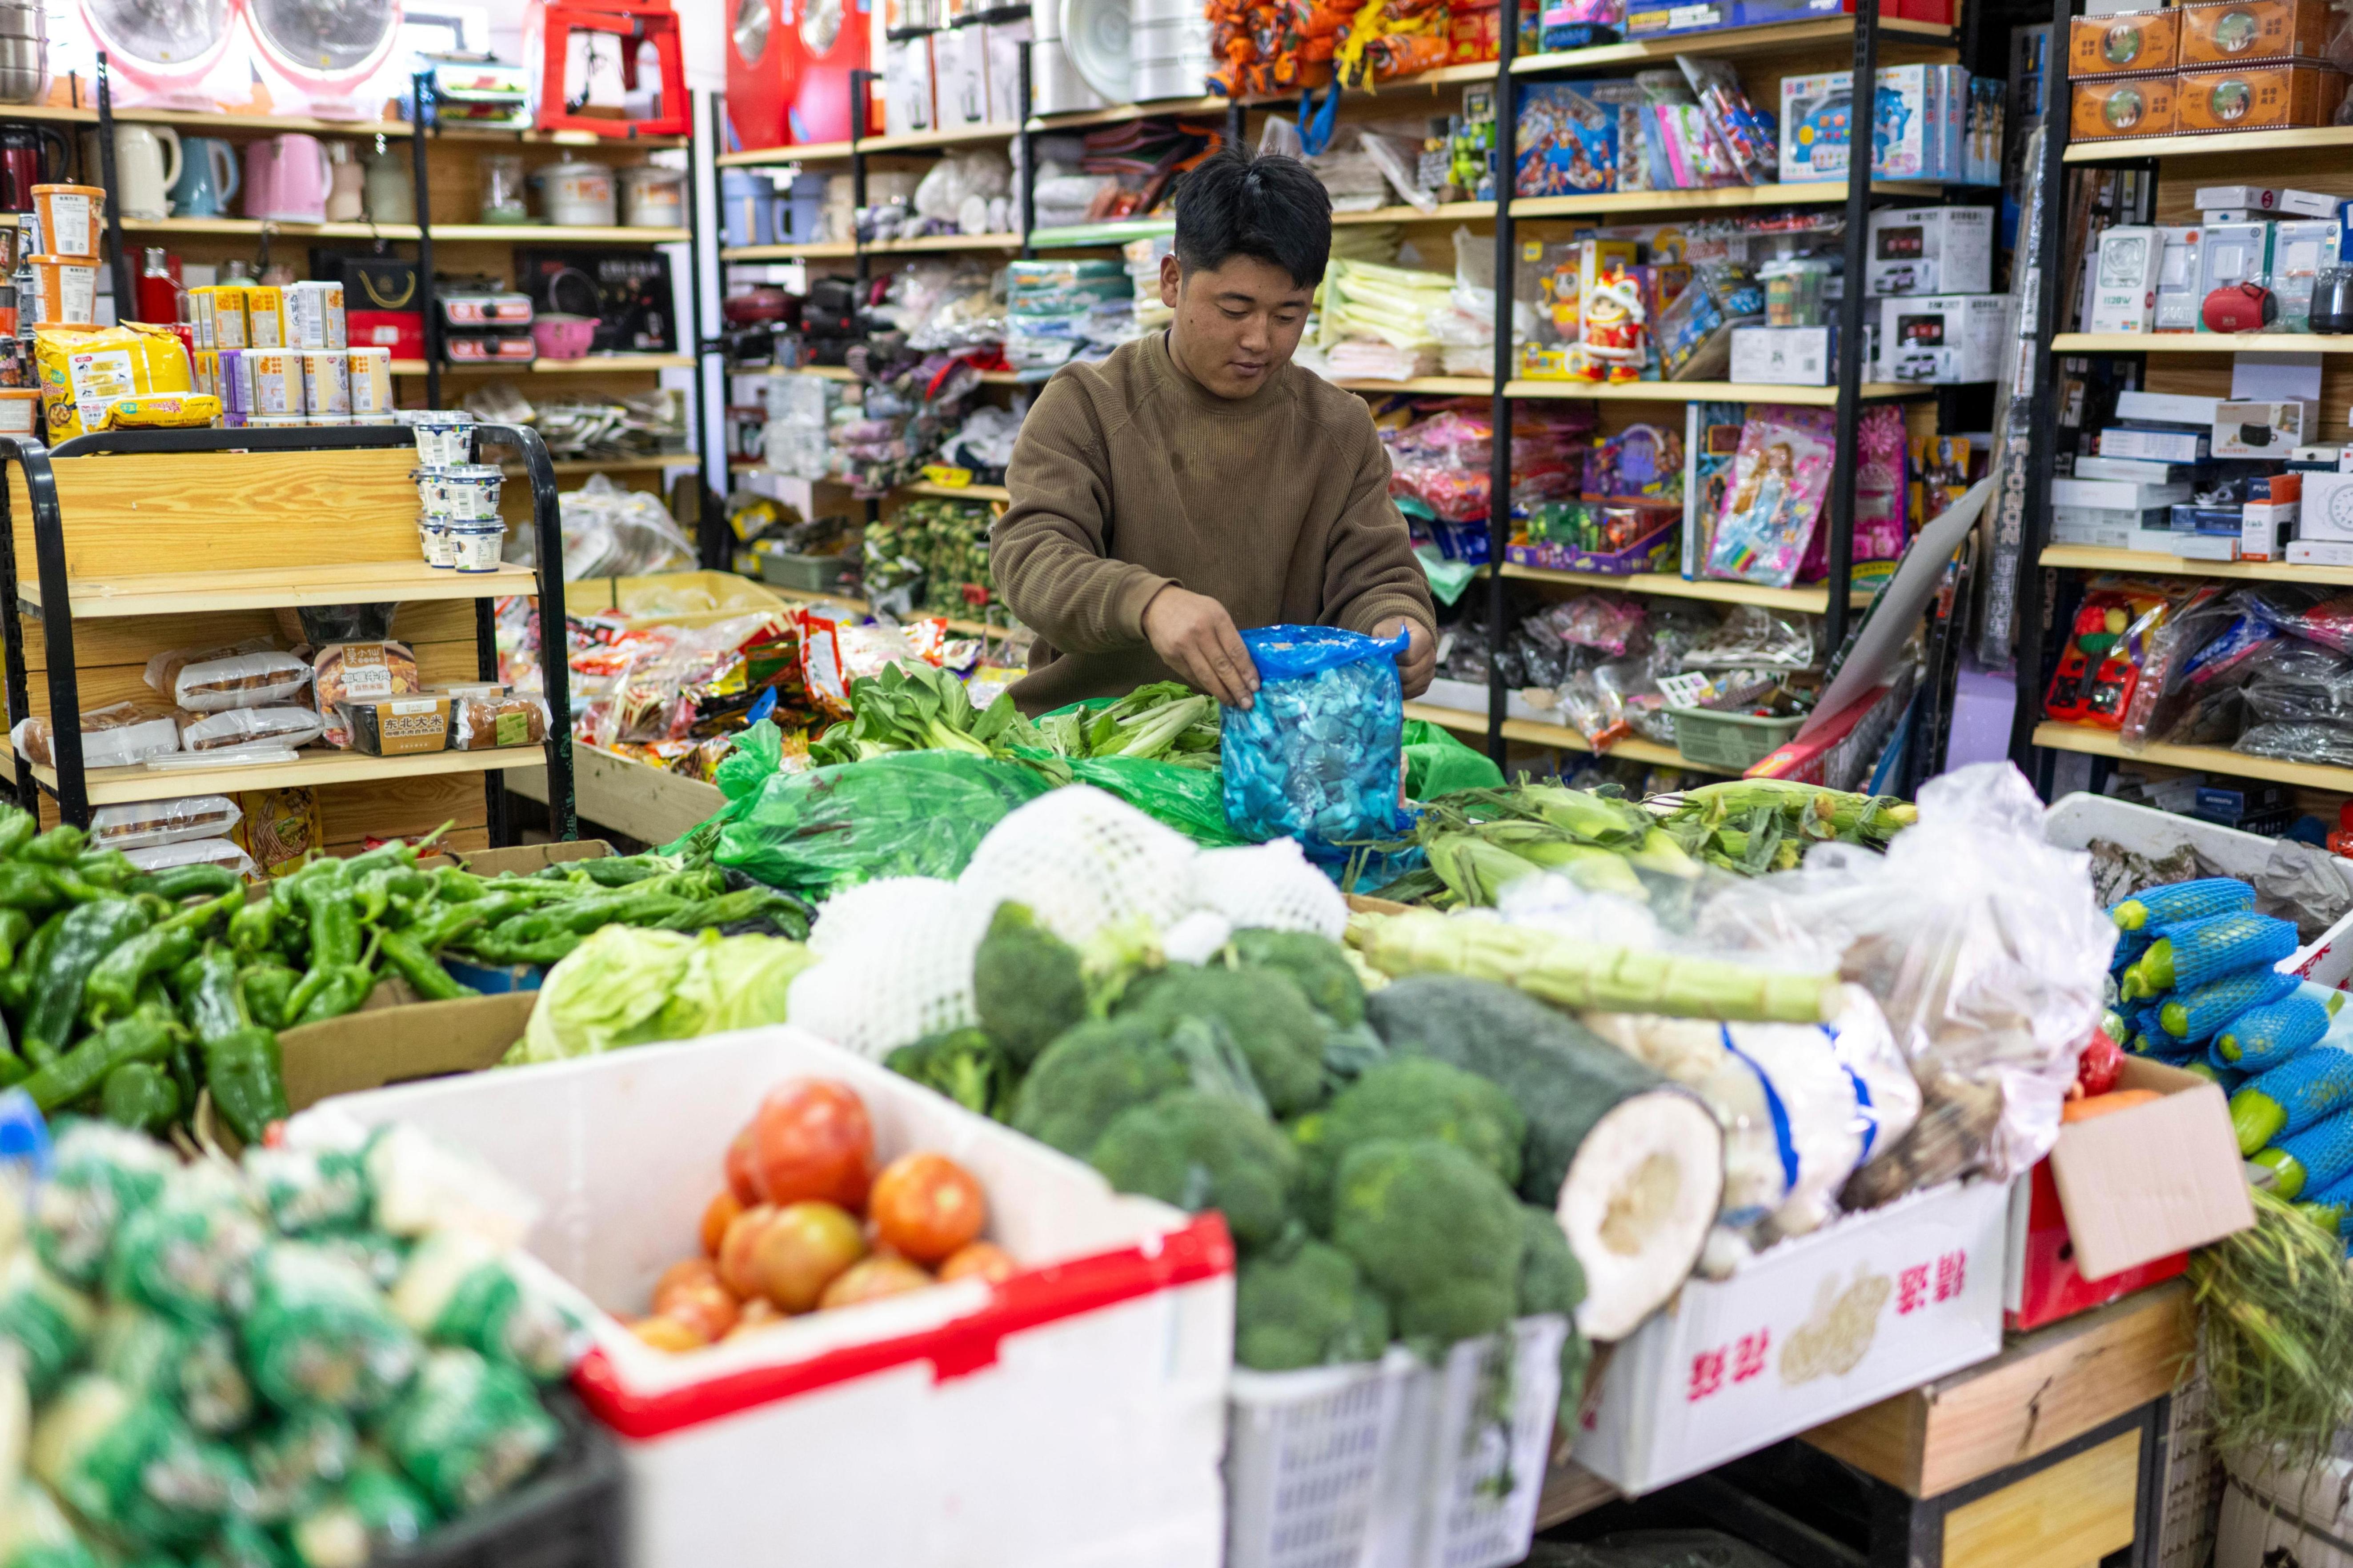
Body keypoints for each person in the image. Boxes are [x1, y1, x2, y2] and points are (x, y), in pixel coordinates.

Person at [990, 144, 1436, 714]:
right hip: (1092, 734)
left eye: (1288, 315)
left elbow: (1376, 576)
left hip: (1271, 739)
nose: (1259, 340)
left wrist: (1397, 623)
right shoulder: (1088, 403)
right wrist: (1147, 604)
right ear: (1172, 281)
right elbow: (1031, 557)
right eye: (1234, 309)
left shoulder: (1338, 428)